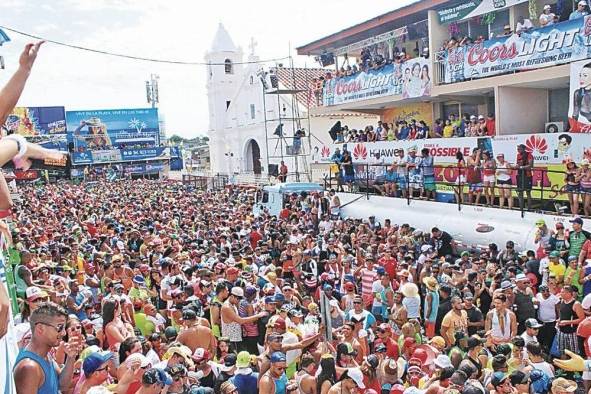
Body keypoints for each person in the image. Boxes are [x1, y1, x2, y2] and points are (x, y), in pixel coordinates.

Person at [14, 302, 83, 394]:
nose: (64, 333)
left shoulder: (45, 355)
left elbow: (63, 385)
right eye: (59, 327)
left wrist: (71, 357)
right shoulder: (29, 367)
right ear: (40, 328)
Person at [515, 144, 534, 211]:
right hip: (520, 175)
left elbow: (530, 165)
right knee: (520, 192)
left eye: (519, 149)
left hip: (527, 175)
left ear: (523, 149)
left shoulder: (529, 155)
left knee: (528, 192)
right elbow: (518, 164)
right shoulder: (518, 155)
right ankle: (521, 208)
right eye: (517, 149)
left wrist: (522, 167)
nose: (518, 150)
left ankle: (529, 208)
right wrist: (516, 166)